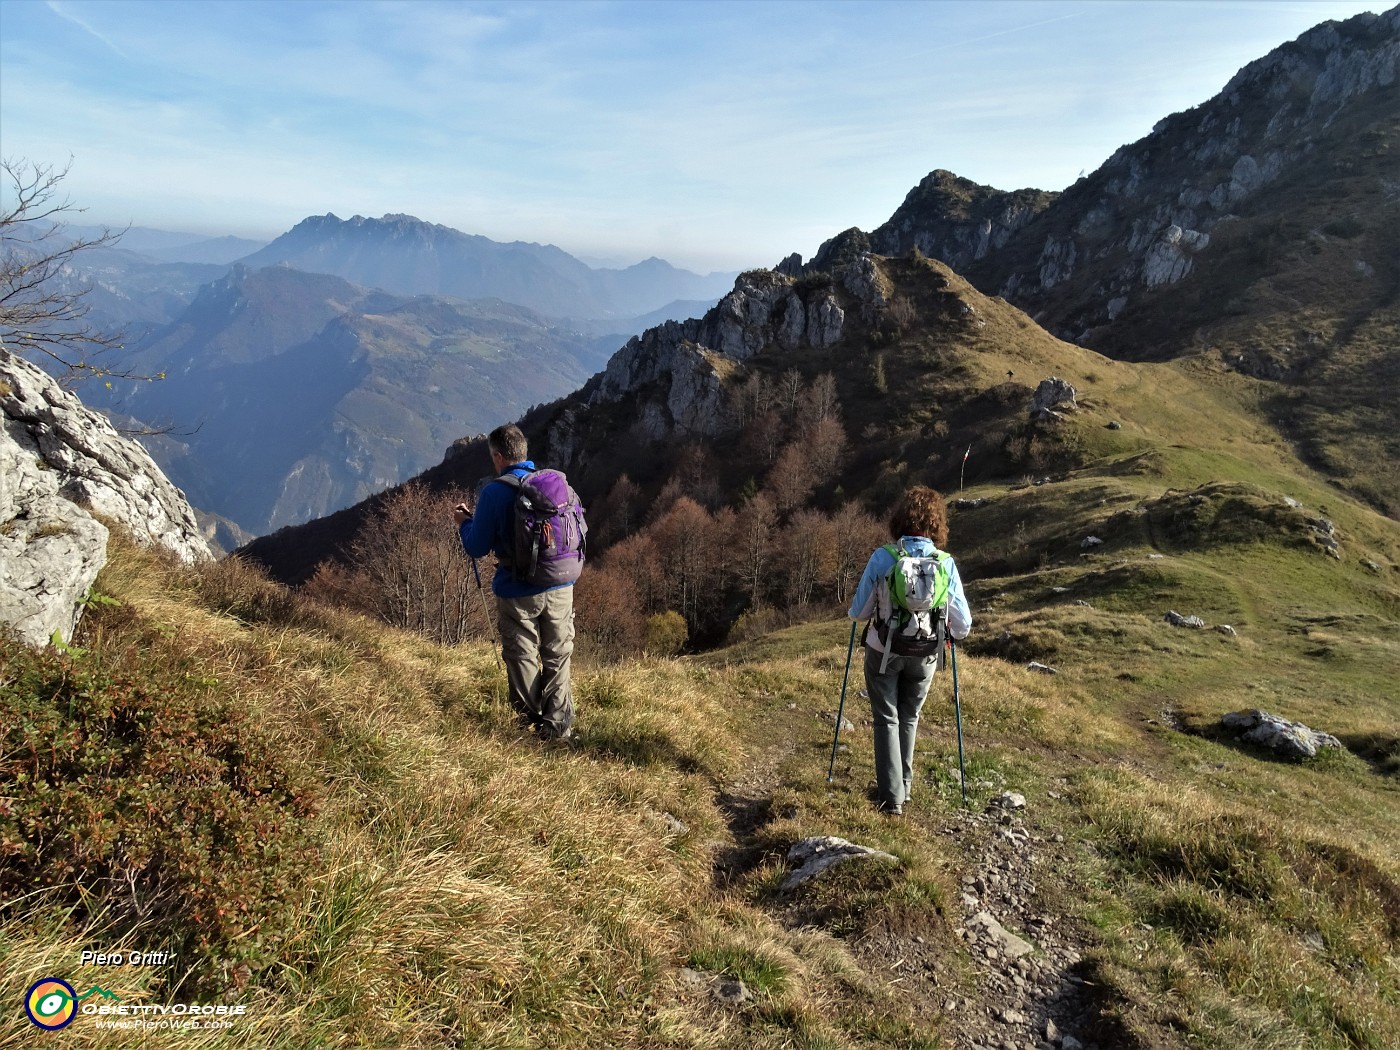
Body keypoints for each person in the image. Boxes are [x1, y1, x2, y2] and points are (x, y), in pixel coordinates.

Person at [848, 486, 971, 815]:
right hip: (926, 653)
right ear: (937, 525)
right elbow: (962, 626)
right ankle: (905, 788)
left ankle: (892, 799)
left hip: (883, 651)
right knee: (909, 717)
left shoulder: (883, 557)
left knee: (886, 718)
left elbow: (859, 612)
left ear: (900, 519)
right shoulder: (945, 563)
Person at [454, 424, 577, 742]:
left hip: (517, 588)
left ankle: (530, 725)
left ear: (498, 456)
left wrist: (464, 523)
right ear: (524, 452)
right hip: (561, 584)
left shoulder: (495, 492)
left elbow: (476, 546)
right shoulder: (555, 482)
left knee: (522, 653)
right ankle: (559, 724)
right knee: (558, 652)